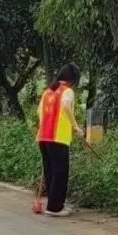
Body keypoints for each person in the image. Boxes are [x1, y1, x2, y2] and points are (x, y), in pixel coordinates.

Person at [36, 64, 85, 216]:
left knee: (50, 171)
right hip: (58, 137)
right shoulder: (67, 91)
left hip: (43, 137)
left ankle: (53, 203)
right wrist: (75, 127)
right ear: (72, 80)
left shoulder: (47, 92)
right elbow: (65, 106)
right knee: (60, 172)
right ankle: (55, 208)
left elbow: (39, 112)